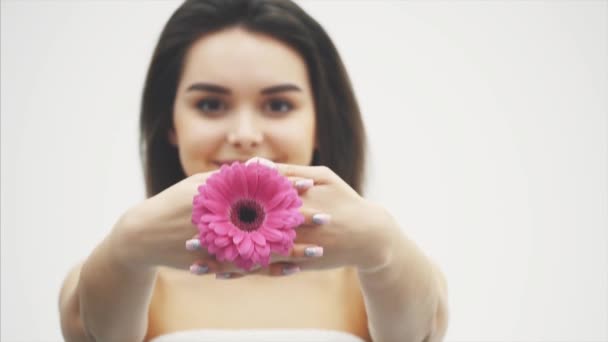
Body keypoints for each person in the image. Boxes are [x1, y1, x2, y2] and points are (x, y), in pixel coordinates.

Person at [58, 0, 449, 341]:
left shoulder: (381, 268)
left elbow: (419, 333)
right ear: (170, 125)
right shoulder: (120, 268)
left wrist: (382, 245)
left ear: (320, 122)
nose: (244, 136)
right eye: (210, 104)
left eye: (278, 105)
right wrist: (129, 243)